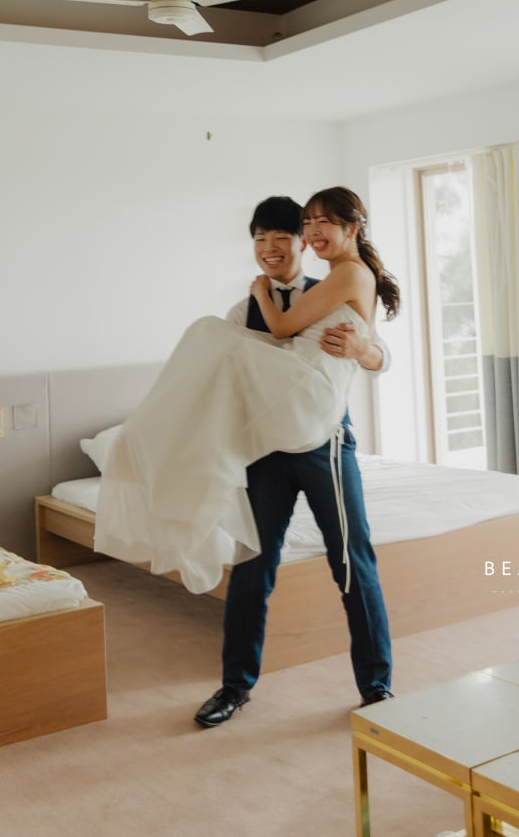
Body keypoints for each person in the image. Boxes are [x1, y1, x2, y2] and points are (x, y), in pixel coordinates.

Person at [193, 189, 399, 728]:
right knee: (251, 568)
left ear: (301, 244)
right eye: (260, 239)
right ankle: (235, 686)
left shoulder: (330, 288)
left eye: (283, 236)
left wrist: (363, 349)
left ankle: (377, 689)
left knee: (352, 562)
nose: (271, 247)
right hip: (266, 452)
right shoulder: (241, 313)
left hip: (325, 444)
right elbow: (228, 382)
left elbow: (379, 353)